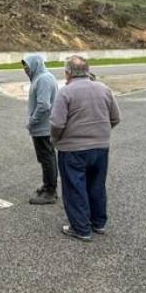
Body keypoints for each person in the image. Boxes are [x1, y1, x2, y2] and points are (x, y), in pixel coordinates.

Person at [50, 55, 121, 241]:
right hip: (100, 148)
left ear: (67, 73)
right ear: (87, 71)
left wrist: (55, 140)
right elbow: (115, 118)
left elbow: (57, 123)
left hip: (73, 149)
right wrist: (100, 134)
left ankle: (80, 228)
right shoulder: (104, 89)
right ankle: (98, 222)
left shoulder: (65, 92)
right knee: (96, 185)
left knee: (75, 187)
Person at [23, 54, 60, 205]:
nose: (25, 69)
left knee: (47, 158)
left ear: (35, 64)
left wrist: (32, 121)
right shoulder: (41, 77)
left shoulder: (43, 79)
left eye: (27, 66)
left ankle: (50, 191)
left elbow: (44, 105)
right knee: (46, 158)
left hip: (43, 128)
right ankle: (47, 185)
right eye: (24, 66)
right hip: (42, 127)